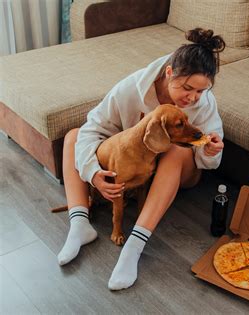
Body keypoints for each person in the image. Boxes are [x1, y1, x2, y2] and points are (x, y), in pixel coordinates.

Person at [57, 28, 226, 290]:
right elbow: (93, 128)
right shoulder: (131, 88)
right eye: (187, 88)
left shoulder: (203, 104)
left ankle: (135, 245)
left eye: (201, 91)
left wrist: (210, 150)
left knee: (175, 149)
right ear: (169, 72)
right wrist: (93, 174)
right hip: (132, 169)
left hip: (179, 172)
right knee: (73, 137)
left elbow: (209, 157)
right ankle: (79, 224)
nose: (192, 97)